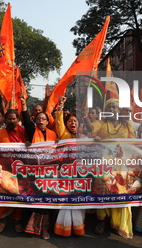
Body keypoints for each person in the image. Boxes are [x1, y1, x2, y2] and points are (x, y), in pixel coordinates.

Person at [84, 98, 134, 239]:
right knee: (104, 190)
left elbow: (134, 143)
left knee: (121, 191)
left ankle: (118, 223)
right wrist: (86, 119)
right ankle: (101, 221)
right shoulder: (102, 123)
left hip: (122, 164)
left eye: (114, 107)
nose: (112, 110)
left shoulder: (127, 125)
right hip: (104, 164)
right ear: (106, 111)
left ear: (119, 110)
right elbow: (91, 128)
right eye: (109, 108)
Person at [20, 95, 57, 239]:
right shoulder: (31, 131)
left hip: (49, 172)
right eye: (38, 119)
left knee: (46, 201)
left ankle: (45, 229)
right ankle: (31, 227)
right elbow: (24, 117)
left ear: (48, 121)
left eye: (43, 119)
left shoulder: (53, 134)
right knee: (34, 199)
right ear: (35, 121)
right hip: (34, 172)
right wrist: (23, 104)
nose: (41, 121)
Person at [53, 96, 86, 237]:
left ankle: (78, 227)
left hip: (80, 173)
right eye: (70, 121)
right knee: (66, 200)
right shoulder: (63, 134)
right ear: (66, 124)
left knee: (78, 199)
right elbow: (58, 122)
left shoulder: (84, 137)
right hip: (65, 173)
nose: (73, 122)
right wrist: (60, 106)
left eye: (75, 121)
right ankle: (64, 228)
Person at [0, 109, 27, 234]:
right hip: (4, 169)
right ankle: (2, 220)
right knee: (2, 195)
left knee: (17, 195)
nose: (12, 121)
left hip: (19, 169)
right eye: (9, 119)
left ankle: (17, 221)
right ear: (5, 120)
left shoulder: (23, 132)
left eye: (14, 119)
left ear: (18, 120)